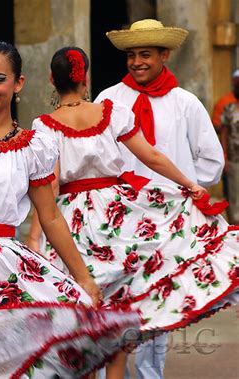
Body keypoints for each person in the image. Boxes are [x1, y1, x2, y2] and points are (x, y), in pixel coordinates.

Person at [0, 41, 141, 378]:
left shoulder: (32, 147)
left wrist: (83, 279)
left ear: (18, 83)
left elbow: (51, 216)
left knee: (2, 364)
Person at [27, 45, 239, 379]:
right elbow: (152, 156)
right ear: (86, 78)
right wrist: (189, 184)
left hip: (73, 223)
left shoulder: (45, 126)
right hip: (117, 215)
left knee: (82, 318)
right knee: (118, 319)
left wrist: (36, 236)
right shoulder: (110, 112)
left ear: (52, 80)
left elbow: (49, 186)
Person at [94, 18, 226, 379]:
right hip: (120, 217)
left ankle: (151, 374)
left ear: (164, 55)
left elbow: (212, 160)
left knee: (157, 300)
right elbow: (94, 152)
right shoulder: (108, 99)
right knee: (114, 296)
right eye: (132, 55)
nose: (137, 62)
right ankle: (111, 373)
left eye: (146, 55)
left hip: (169, 220)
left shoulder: (186, 103)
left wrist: (183, 191)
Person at [220, 92, 239, 224]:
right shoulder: (229, 109)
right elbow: (224, 133)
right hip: (234, 158)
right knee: (234, 195)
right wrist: (224, 156)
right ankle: (235, 227)